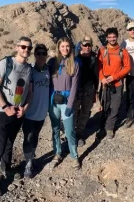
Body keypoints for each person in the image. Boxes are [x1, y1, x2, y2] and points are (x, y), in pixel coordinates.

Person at [0, 36, 33, 197]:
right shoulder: (5, 63)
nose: (26, 50)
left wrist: (24, 108)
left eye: (28, 48)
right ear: (16, 47)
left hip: (17, 113)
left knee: (9, 144)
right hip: (1, 112)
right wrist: (6, 107)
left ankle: (6, 169)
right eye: (23, 47)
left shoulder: (29, 68)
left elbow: (30, 93)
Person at [48, 37, 80, 169]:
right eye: (62, 46)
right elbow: (47, 80)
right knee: (55, 129)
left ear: (70, 47)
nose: (65, 48)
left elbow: (74, 86)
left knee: (69, 131)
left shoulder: (74, 64)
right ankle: (57, 153)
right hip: (54, 101)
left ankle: (74, 156)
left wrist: (70, 105)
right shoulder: (52, 63)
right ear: (58, 48)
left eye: (67, 46)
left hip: (67, 101)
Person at [22, 44, 50, 178]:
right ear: (35, 55)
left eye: (43, 53)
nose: (40, 56)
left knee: (35, 137)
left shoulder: (49, 70)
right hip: (28, 113)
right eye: (38, 53)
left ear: (46, 55)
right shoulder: (29, 70)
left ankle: (31, 157)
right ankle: (28, 163)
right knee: (28, 137)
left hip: (42, 113)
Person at [97, 28, 131, 139]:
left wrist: (115, 77)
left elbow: (127, 67)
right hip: (105, 83)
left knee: (115, 106)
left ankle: (110, 128)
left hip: (117, 84)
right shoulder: (102, 50)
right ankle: (102, 126)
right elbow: (99, 66)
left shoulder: (123, 51)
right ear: (106, 38)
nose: (112, 39)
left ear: (117, 37)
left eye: (114, 37)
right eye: (110, 37)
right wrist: (102, 78)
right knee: (105, 105)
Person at [73, 36, 98, 147]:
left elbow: (96, 76)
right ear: (81, 46)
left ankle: (79, 134)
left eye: (89, 45)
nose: (87, 47)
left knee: (85, 112)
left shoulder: (94, 58)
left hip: (89, 90)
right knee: (73, 112)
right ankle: (71, 133)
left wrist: (96, 91)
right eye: (85, 45)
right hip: (76, 90)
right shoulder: (75, 58)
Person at [121, 22, 134, 128]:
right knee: (130, 96)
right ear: (128, 31)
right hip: (129, 74)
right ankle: (130, 118)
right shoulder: (124, 43)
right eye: (130, 30)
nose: (132, 31)